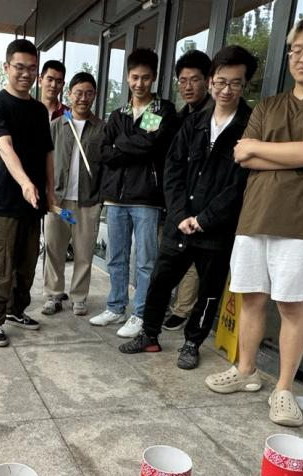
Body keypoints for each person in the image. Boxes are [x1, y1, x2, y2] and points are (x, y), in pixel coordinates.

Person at [205, 10, 303, 427]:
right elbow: (242, 155)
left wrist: (300, 154)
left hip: (301, 220)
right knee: (251, 298)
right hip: (255, 214)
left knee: (292, 305)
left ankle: (283, 389)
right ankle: (246, 370)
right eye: (295, 50)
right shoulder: (269, 104)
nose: (302, 58)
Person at [120, 45, 258, 371]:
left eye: (235, 83)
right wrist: (181, 215)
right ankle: (149, 334)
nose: (226, 90)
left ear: (244, 85)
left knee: (208, 292)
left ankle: (192, 342)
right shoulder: (190, 121)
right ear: (212, 82)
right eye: (220, 82)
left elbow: (241, 183)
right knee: (159, 281)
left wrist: (205, 219)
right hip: (179, 223)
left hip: (215, 229)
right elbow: (173, 170)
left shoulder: (251, 126)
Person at [90, 48, 177, 338]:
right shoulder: (119, 114)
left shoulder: (160, 110)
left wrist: (120, 145)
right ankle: (115, 307)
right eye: (135, 77)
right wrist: (126, 146)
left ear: (154, 78)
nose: (139, 83)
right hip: (116, 197)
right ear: (127, 77)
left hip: (146, 198)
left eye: (146, 78)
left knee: (145, 261)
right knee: (116, 257)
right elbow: (105, 152)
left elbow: (149, 144)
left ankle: (140, 313)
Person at [0, 38, 55, 346]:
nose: (26, 74)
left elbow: (48, 152)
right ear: (6, 67)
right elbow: (5, 147)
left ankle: (16, 310)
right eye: (19, 67)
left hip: (32, 204)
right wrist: (25, 182)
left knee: (26, 266)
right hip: (3, 203)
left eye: (32, 68)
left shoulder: (39, 110)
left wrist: (49, 190)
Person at [42, 72, 104, 316]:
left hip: (88, 200)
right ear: (69, 94)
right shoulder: (56, 126)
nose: (83, 98)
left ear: (94, 95)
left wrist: (101, 198)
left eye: (88, 93)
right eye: (78, 93)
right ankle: (53, 294)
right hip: (58, 200)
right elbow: (44, 162)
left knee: (84, 252)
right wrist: (47, 194)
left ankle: (79, 297)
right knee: (54, 249)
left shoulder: (101, 128)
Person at [162, 49, 213, 331]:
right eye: (182, 81)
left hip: (199, 202)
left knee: (190, 255)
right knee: (170, 253)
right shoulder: (175, 115)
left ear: (207, 80)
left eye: (194, 79)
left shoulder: (212, 116)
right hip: (172, 198)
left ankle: (183, 309)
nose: (188, 86)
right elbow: (150, 144)